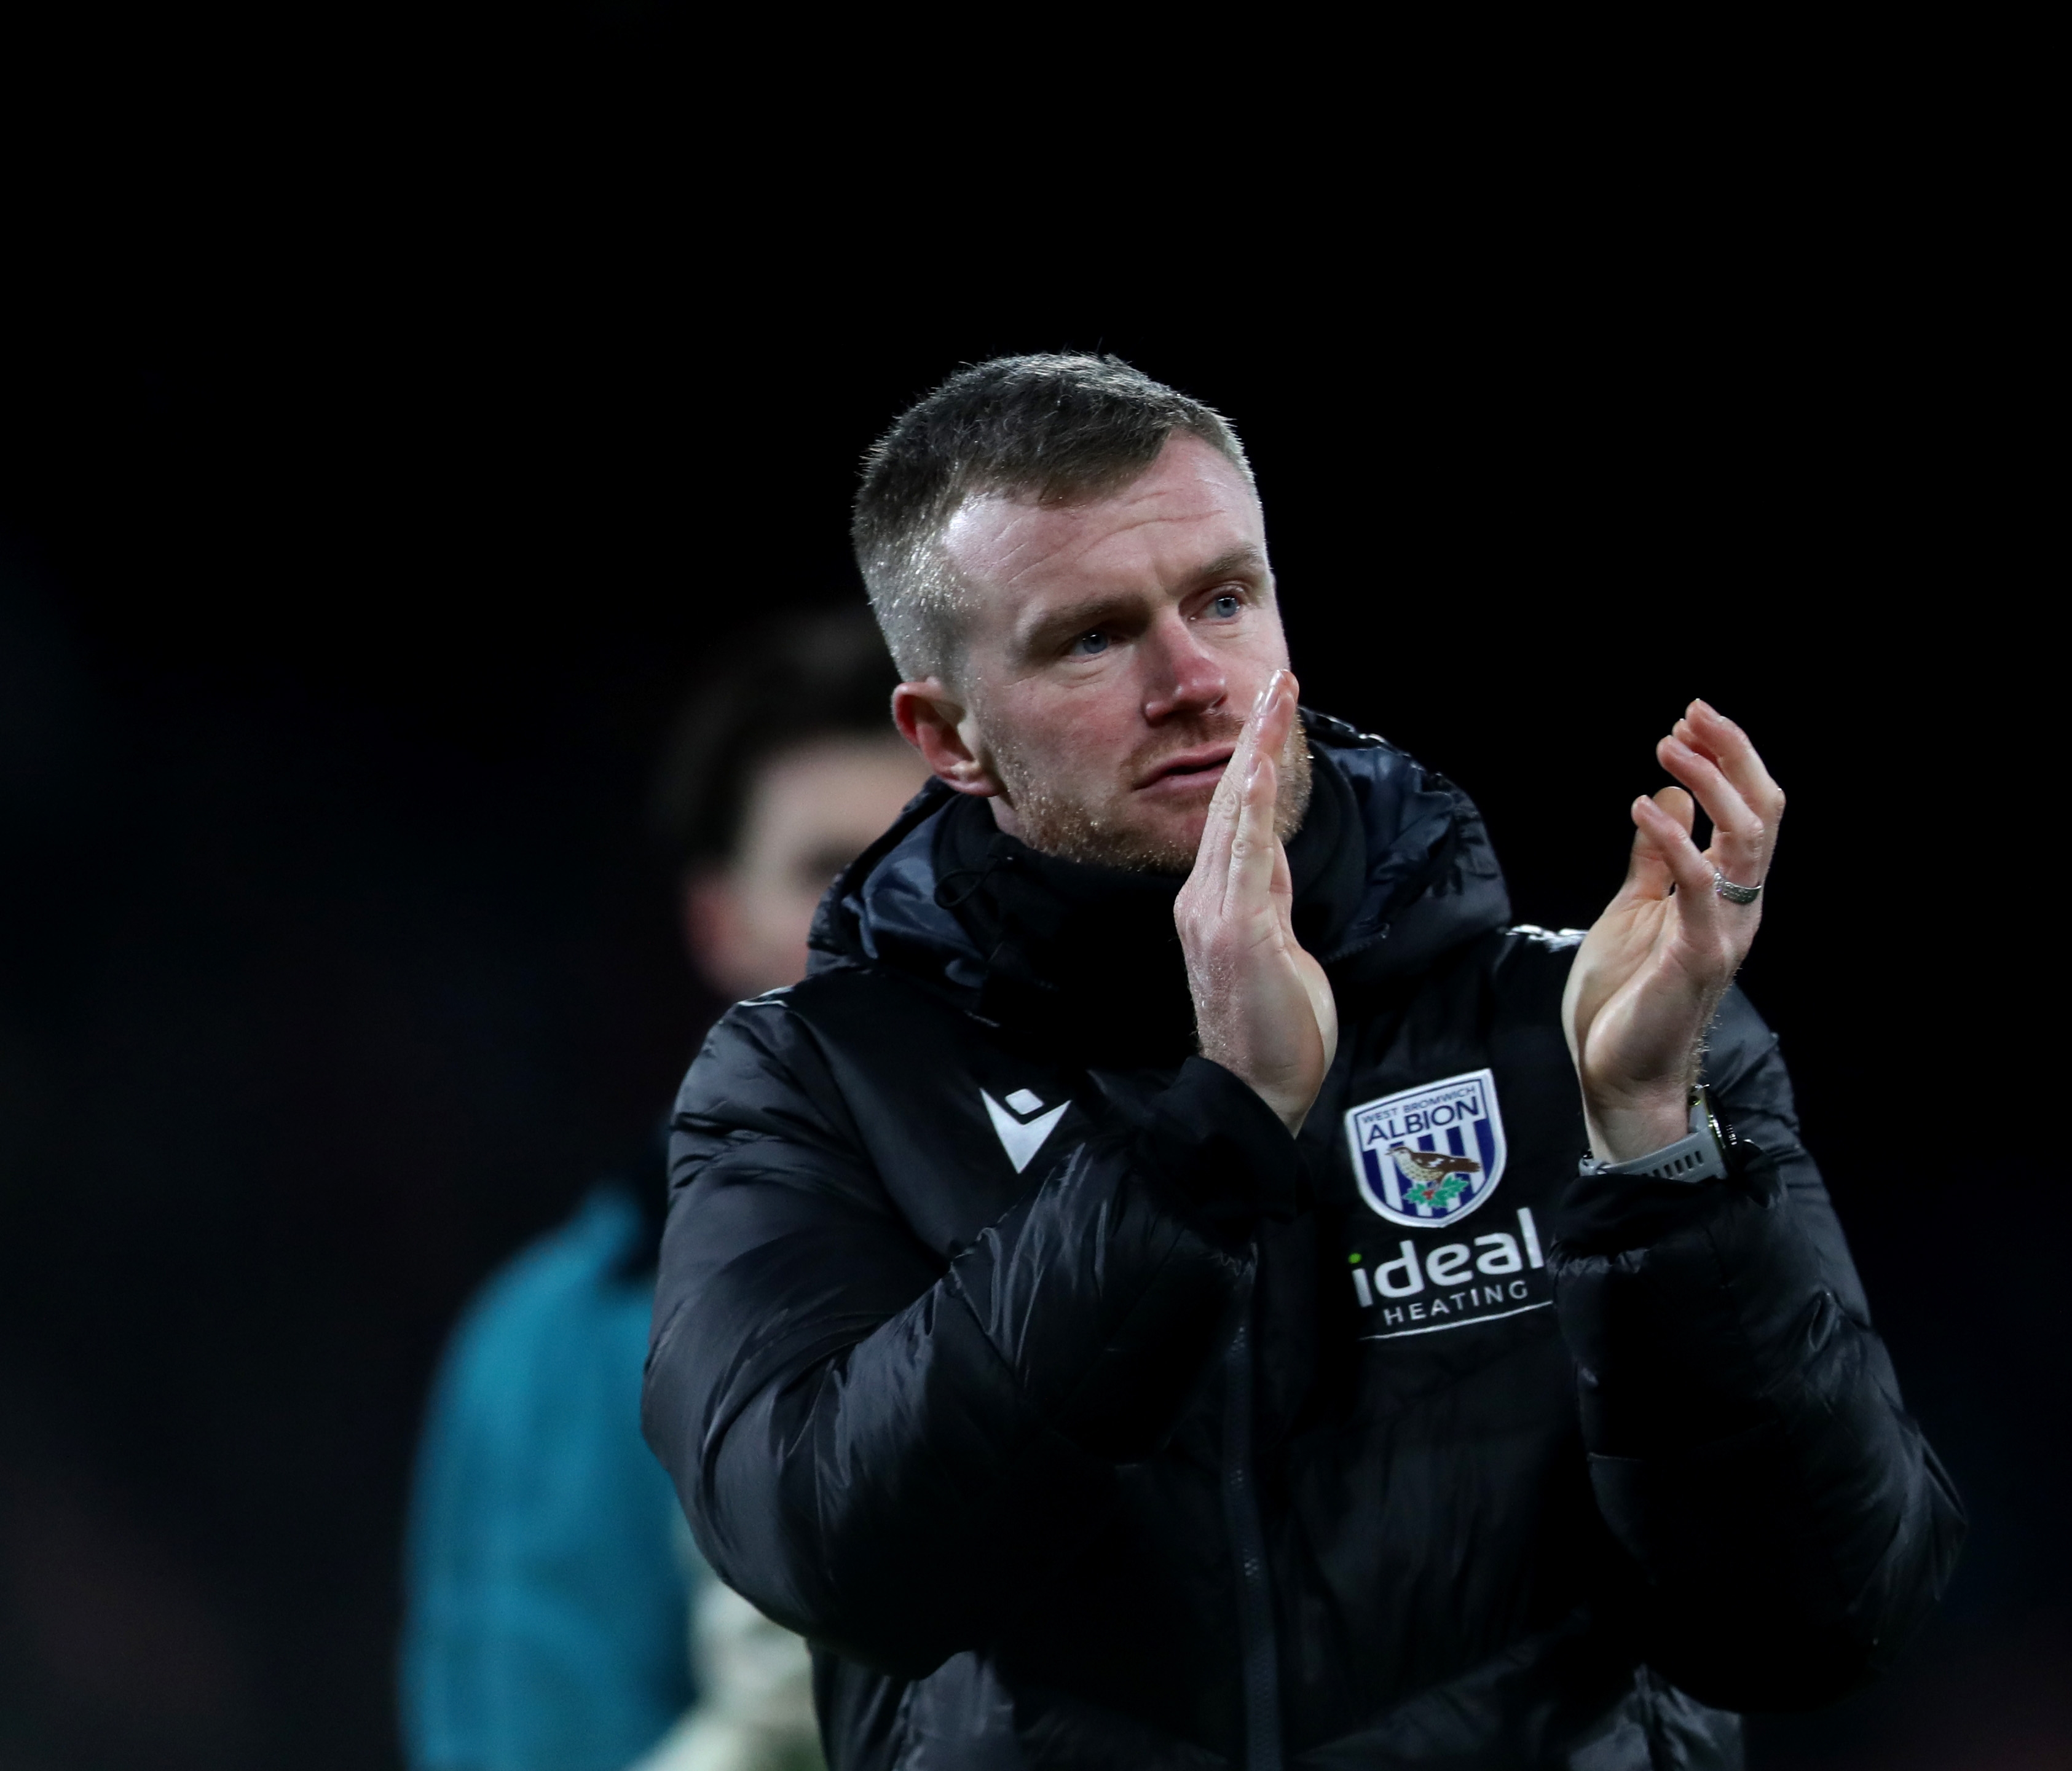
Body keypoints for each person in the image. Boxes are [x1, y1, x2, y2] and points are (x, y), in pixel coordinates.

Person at [644, 356, 1966, 1769]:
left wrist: (1658, 1163)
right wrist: (1212, 1132)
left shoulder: (1583, 1026)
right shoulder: (812, 1083)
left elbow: (1820, 1620)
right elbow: (839, 1555)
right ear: (949, 737)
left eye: (1223, 599)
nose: (1192, 681)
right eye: (1091, 638)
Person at [403, 611, 933, 1771]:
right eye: (825, 870)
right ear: (717, 922)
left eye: (934, 853)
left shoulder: (1163, 1229)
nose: (887, 913)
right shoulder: (566, 1337)